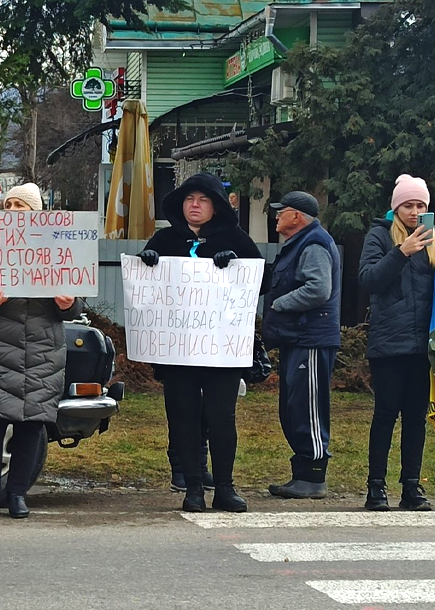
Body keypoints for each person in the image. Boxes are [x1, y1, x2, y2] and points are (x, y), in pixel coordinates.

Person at [139, 172, 263, 513]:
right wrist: (148, 263)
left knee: (222, 417)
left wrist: (235, 265)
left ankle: (224, 486)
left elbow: (261, 283)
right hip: (178, 351)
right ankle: (193, 487)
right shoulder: (164, 240)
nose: (195, 205)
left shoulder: (235, 238)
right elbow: (143, 292)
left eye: (203, 199)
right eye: (190, 199)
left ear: (216, 206)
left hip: (221, 350)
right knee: (183, 416)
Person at [0, 183, 82, 518]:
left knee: (31, 426)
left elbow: (76, 299)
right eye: (8, 204)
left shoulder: (57, 249)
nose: (12, 210)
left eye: (20, 205)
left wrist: (69, 303)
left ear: (36, 214)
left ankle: (17, 494)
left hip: (41, 353)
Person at [358, 174, 433, 511]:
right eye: (408, 205)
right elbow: (368, 279)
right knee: (386, 415)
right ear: (396, 207)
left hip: (424, 345)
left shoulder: (433, 239)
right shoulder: (380, 236)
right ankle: (376, 488)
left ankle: (411, 487)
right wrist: (402, 252)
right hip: (389, 343)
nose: (414, 211)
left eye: (420, 205)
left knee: (416, 418)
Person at [261, 191, 341, 499]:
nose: (276, 216)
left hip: (312, 340)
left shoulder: (313, 244)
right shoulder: (298, 244)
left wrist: (280, 304)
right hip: (299, 338)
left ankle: (313, 476)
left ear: (297, 217)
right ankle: (302, 475)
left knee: (308, 408)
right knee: (294, 407)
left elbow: (319, 288)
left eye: (282, 211)